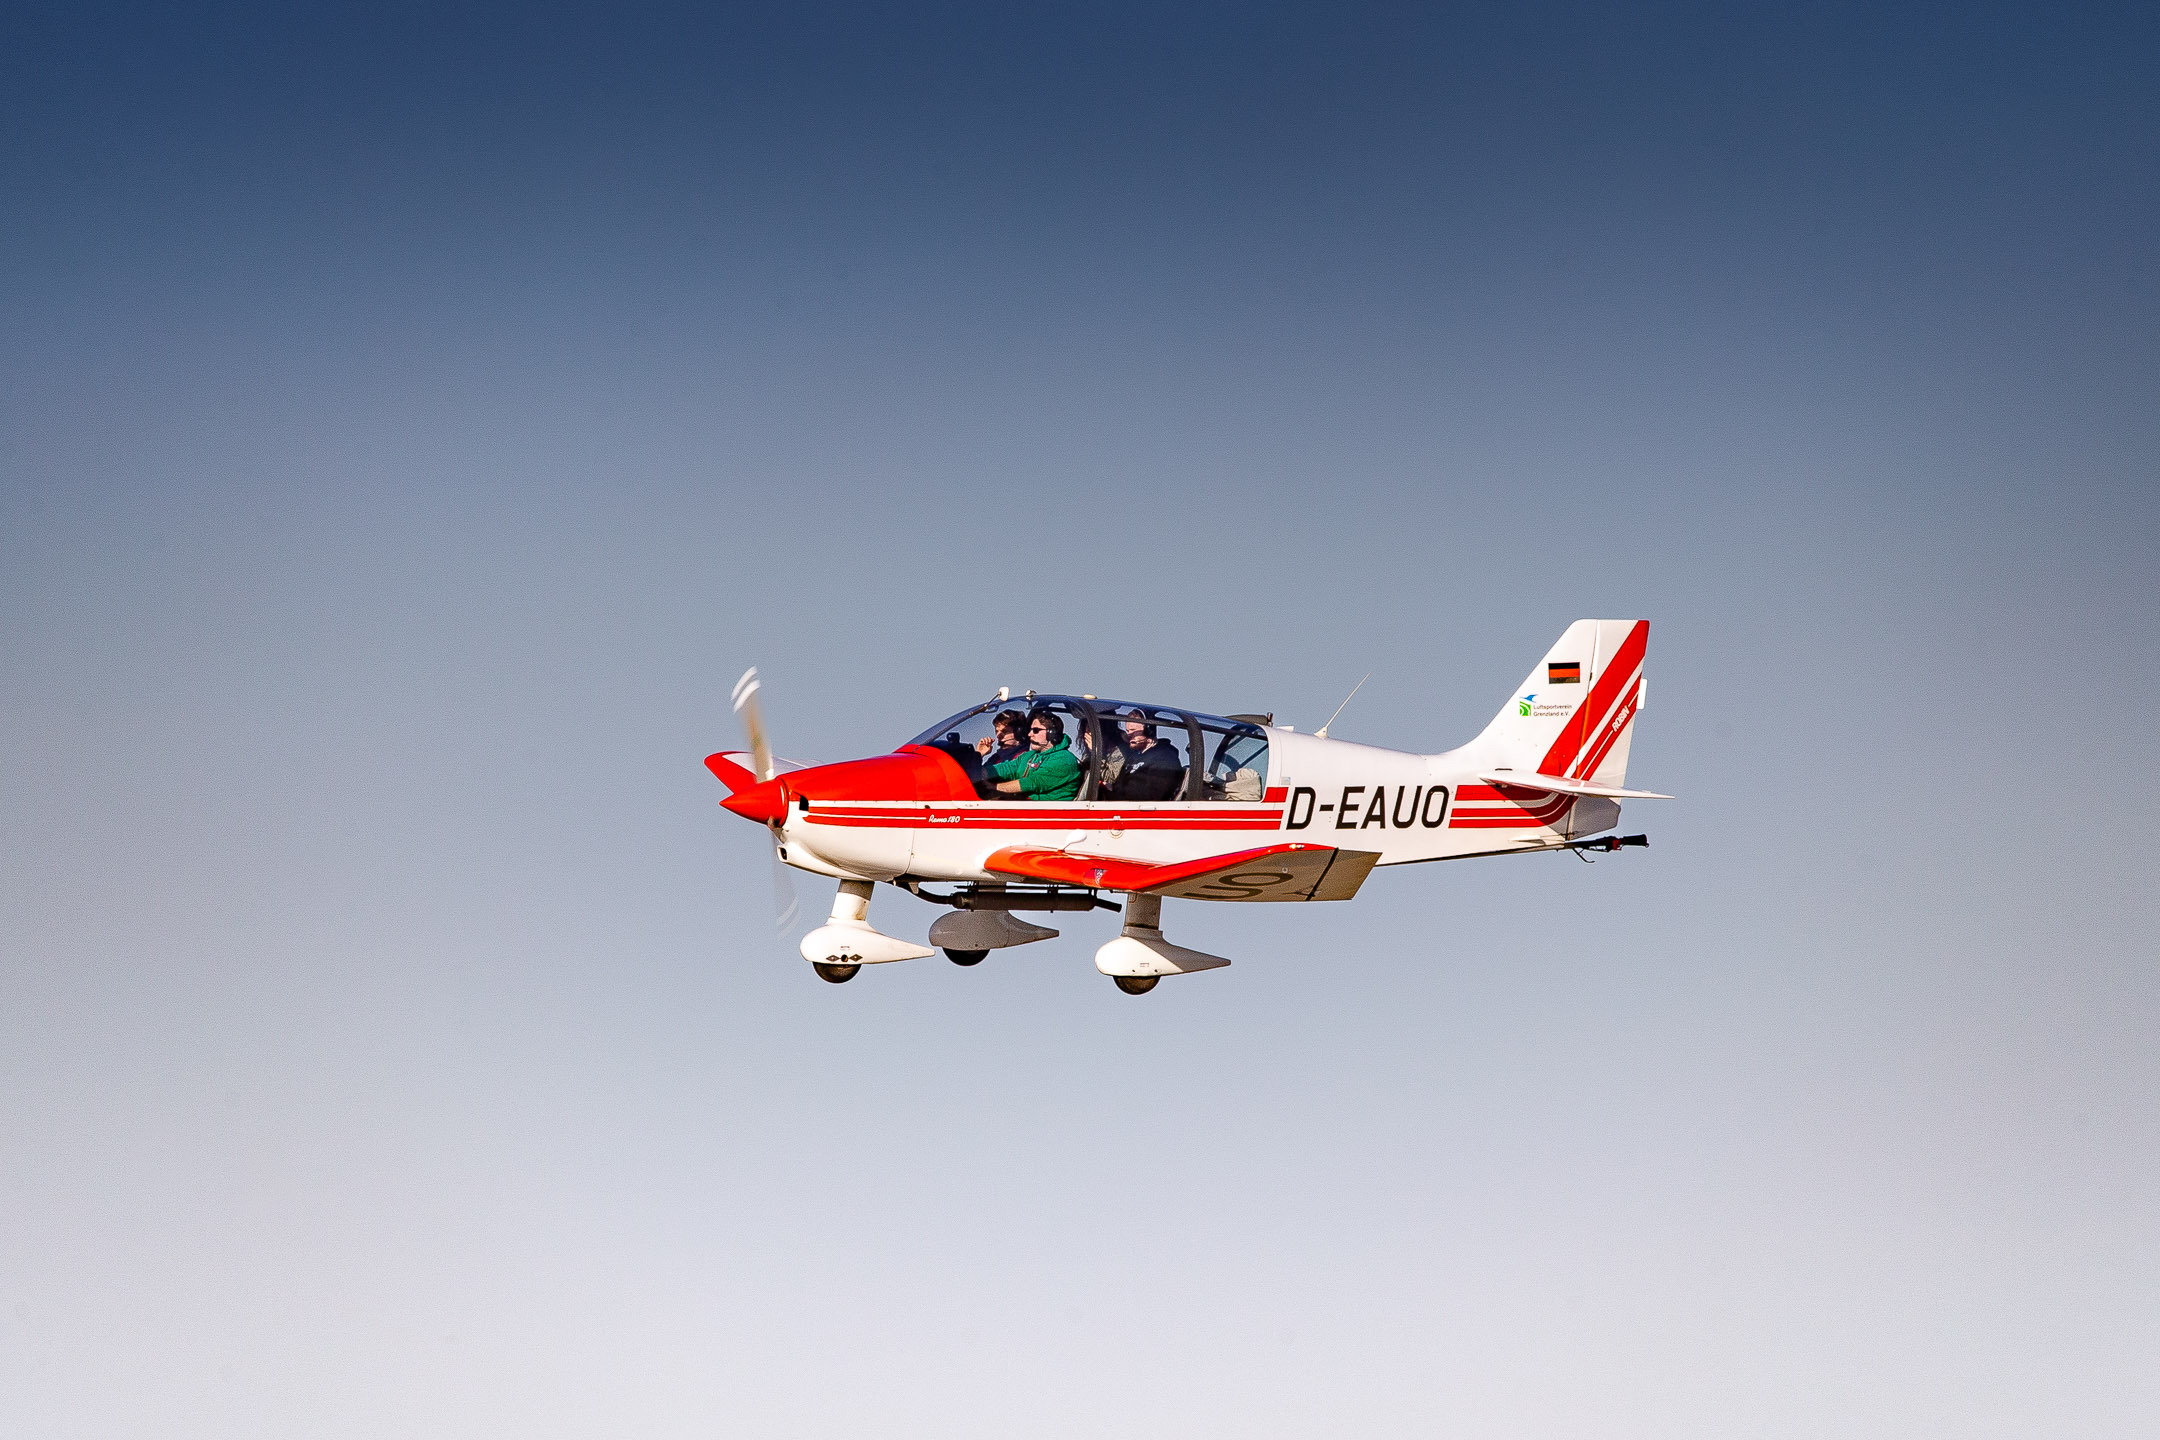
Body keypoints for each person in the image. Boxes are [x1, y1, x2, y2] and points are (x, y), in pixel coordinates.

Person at [983, 708, 1082, 800]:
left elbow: (1033, 783)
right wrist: (977, 773)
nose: (1030, 734)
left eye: (1035, 730)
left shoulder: (1064, 760)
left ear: (1052, 733)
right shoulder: (1030, 756)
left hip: (1049, 815)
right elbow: (1007, 768)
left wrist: (993, 787)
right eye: (1030, 730)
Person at [1113, 710, 1184, 800]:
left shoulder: (1166, 758)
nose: (1129, 735)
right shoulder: (1133, 757)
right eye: (1127, 731)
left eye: (1133, 730)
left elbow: (1153, 795)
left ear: (1148, 730)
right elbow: (1118, 785)